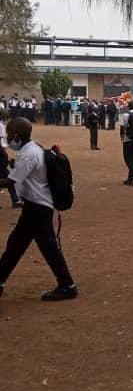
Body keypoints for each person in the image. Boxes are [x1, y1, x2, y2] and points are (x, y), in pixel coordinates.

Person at [0, 117, 78, 301]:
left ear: (17, 136)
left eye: (10, 135)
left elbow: (10, 182)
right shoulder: (33, 148)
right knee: (28, 245)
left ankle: (67, 285)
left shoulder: (28, 154)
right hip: (38, 206)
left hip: (37, 207)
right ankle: (67, 284)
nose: (8, 139)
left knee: (18, 246)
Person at [0, 111, 22, 208]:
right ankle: (15, 200)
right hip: (0, 152)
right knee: (8, 178)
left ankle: (15, 200)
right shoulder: (0, 125)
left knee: (8, 178)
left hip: (2, 153)